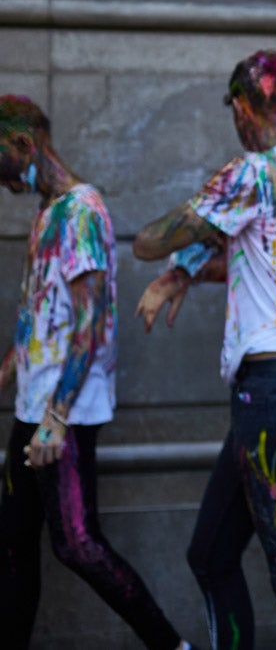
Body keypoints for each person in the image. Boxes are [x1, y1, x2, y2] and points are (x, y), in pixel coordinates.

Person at [133, 50, 276, 650]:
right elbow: (261, 256)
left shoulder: (251, 173)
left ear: (242, 105)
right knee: (211, 554)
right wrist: (185, 274)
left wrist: (167, 257)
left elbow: (152, 241)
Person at [0, 95, 196, 650]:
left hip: (64, 411)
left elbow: (91, 323)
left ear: (22, 144)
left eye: (0, 163)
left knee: (79, 544)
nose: (0, 179)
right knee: (13, 541)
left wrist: (56, 421)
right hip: (33, 408)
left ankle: (173, 646)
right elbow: (36, 322)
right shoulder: (47, 214)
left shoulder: (81, 210)